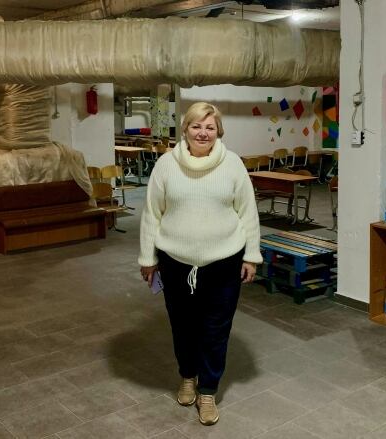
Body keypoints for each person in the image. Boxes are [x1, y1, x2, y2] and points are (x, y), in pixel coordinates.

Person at [138, 102, 261, 426]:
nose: (203, 132)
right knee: (183, 326)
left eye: (209, 127)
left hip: (224, 261)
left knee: (216, 329)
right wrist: (148, 258)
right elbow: (152, 213)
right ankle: (187, 377)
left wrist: (252, 255)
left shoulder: (233, 165)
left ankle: (207, 391)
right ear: (185, 130)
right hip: (175, 261)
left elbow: (248, 213)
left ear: (218, 130)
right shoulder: (166, 165)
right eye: (196, 126)